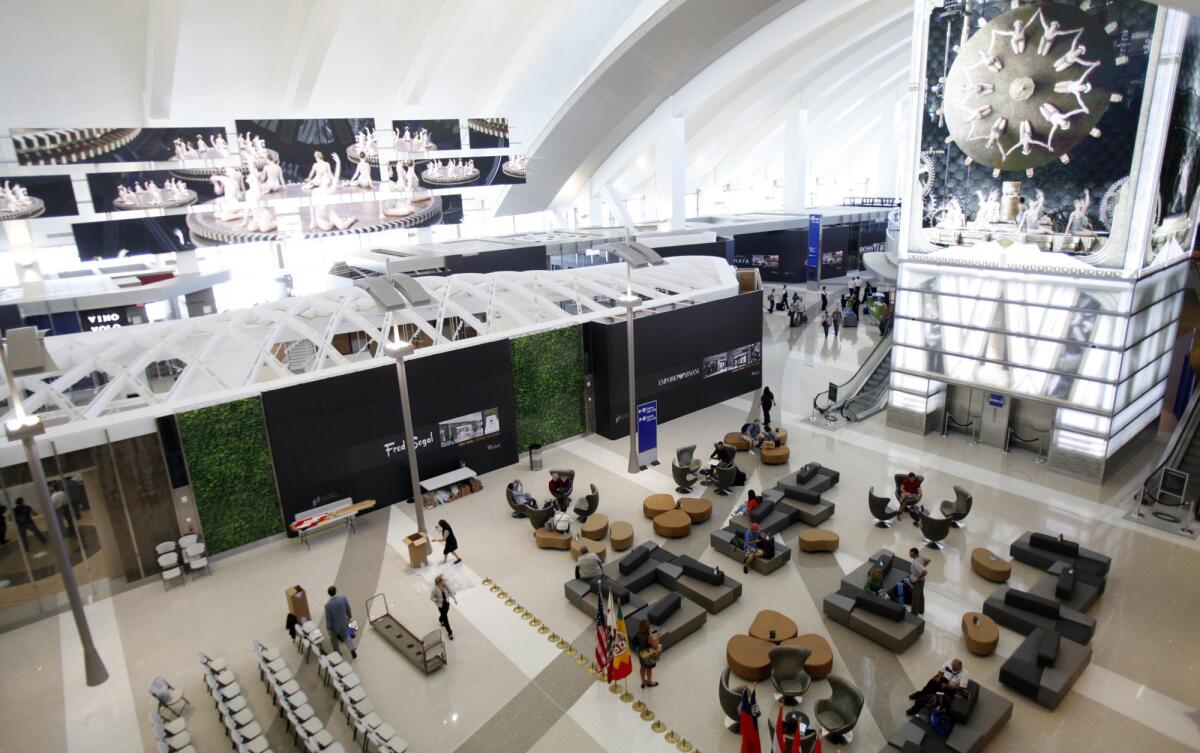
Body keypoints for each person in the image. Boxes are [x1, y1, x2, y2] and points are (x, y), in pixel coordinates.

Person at [324, 585, 357, 659]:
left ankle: (337, 651)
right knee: (346, 636)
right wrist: (349, 615)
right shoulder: (343, 598)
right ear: (336, 591)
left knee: (333, 639)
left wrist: (329, 628)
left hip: (335, 627)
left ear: (329, 594)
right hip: (344, 622)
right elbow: (347, 608)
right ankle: (352, 649)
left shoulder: (327, 605)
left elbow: (328, 619)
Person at [632, 620, 661, 688]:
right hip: (648, 655)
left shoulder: (637, 632)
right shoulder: (649, 636)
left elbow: (635, 643)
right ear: (648, 628)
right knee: (649, 669)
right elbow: (655, 646)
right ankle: (649, 682)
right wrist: (657, 639)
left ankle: (643, 682)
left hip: (641, 653)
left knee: (642, 667)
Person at [431, 575, 458, 640]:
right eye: (442, 580)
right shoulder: (434, 589)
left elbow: (450, 592)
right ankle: (450, 632)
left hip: (446, 603)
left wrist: (454, 599)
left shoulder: (445, 585)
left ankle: (440, 619)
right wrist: (438, 600)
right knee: (446, 618)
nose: (444, 581)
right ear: (439, 582)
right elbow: (432, 598)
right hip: (440, 605)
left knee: (444, 615)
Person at [908, 547, 930, 616]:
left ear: (914, 554)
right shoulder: (921, 557)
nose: (909, 554)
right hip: (922, 581)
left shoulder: (916, 562)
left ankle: (914, 613)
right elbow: (929, 560)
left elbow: (925, 572)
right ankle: (921, 610)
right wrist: (923, 566)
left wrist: (918, 578)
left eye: (910, 553)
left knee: (916, 597)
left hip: (918, 582)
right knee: (920, 595)